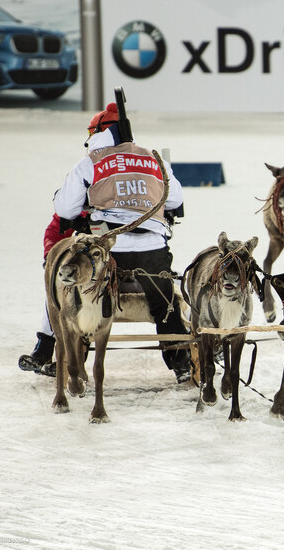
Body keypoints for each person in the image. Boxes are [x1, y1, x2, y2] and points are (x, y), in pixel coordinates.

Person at [42, 103, 192, 381]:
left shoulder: (91, 162)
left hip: (109, 248)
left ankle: (74, 362)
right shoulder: (154, 158)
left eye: (91, 131)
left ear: (102, 131)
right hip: (153, 245)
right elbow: (175, 200)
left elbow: (65, 209)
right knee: (165, 303)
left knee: (80, 294)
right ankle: (181, 362)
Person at [18, 212, 89, 376]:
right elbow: (56, 228)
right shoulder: (86, 194)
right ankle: (45, 346)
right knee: (57, 289)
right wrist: (52, 257)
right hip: (88, 258)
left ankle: (71, 353)